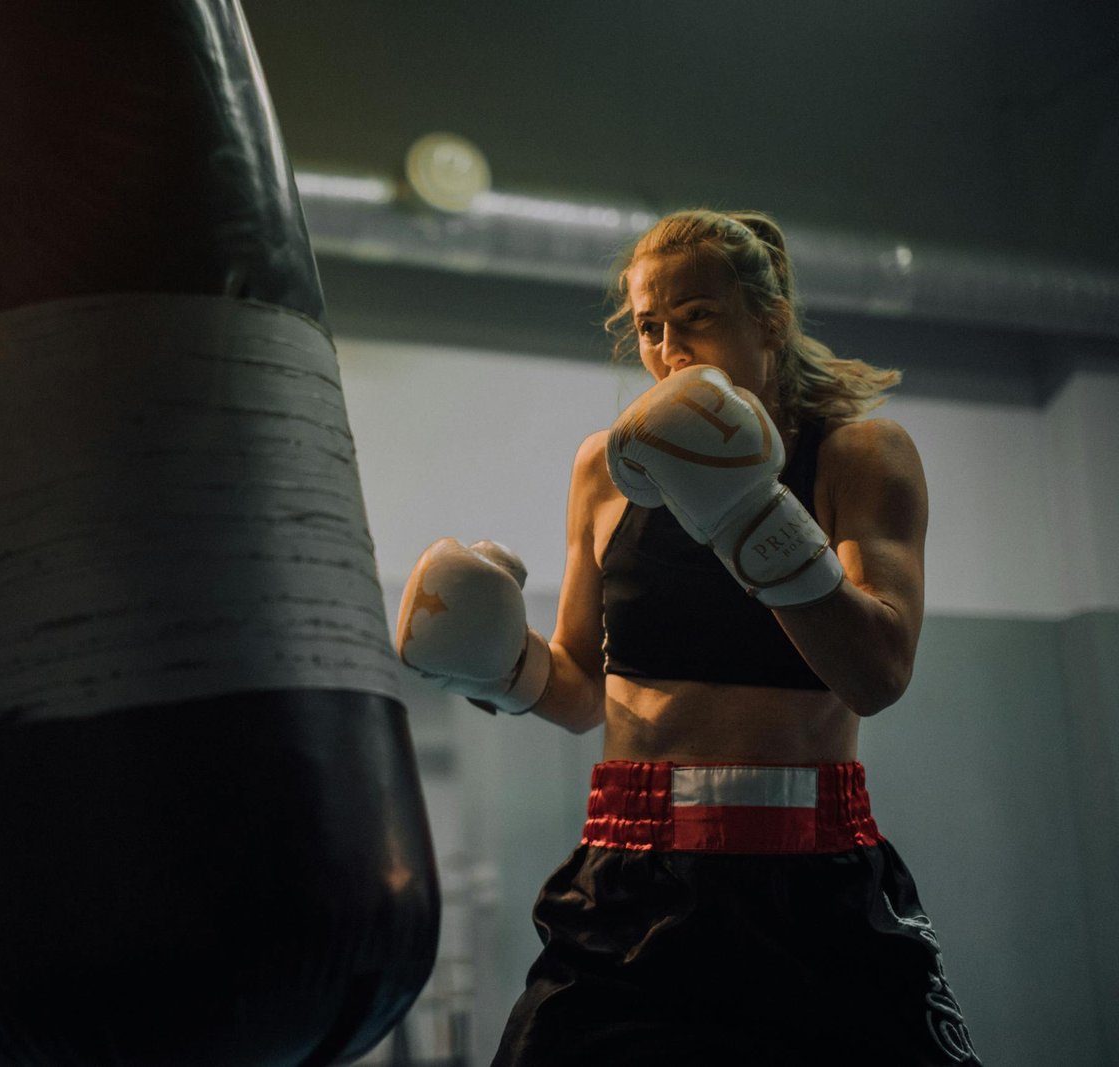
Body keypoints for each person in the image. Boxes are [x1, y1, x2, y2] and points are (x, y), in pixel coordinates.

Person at [396, 208, 981, 1065]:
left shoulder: (859, 451)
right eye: (648, 325)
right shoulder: (606, 466)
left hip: (807, 880)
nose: (669, 345)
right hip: (630, 877)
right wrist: (498, 664)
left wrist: (749, 512)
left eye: (697, 315)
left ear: (769, 315)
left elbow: (879, 671)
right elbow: (581, 690)